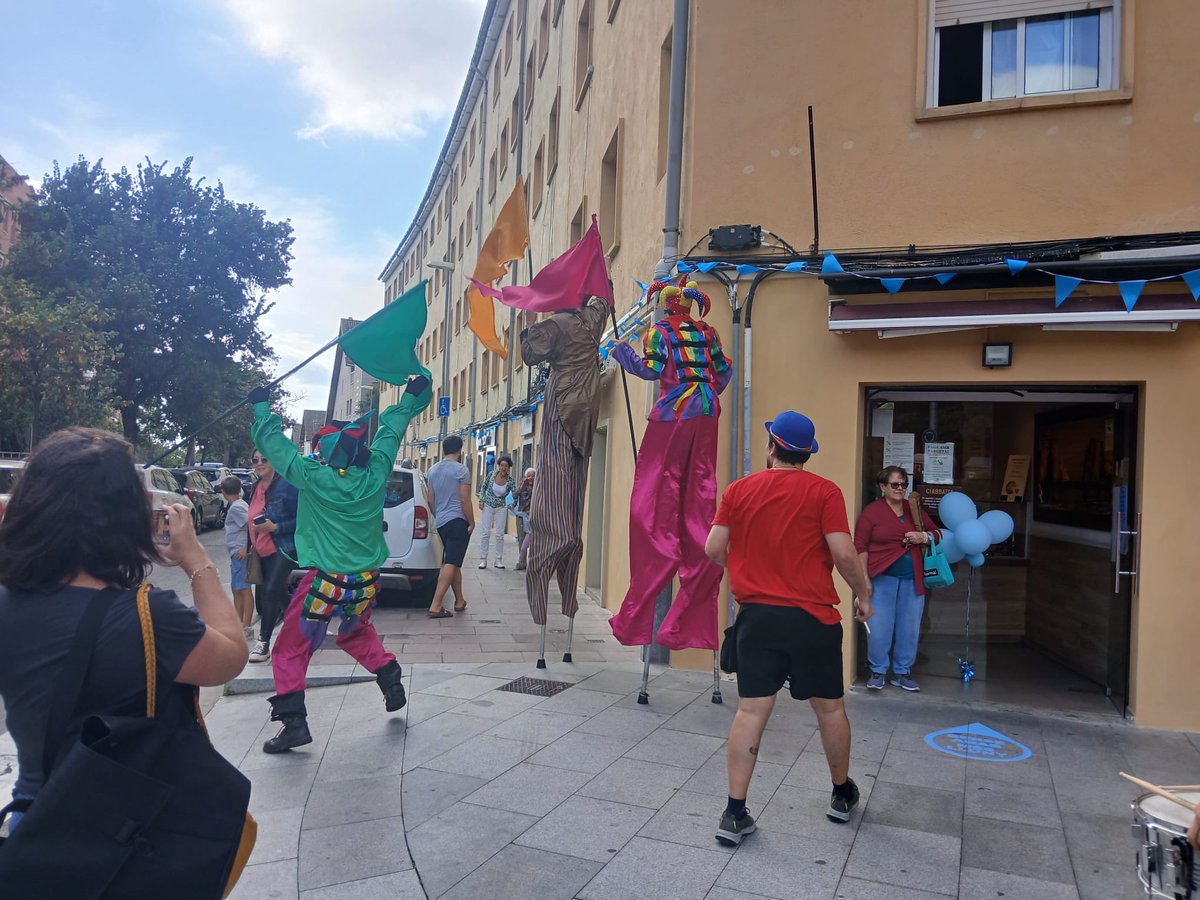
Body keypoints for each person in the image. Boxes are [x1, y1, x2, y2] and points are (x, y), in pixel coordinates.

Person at [0, 428, 247, 829]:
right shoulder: (150, 617)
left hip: (36, 818)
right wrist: (197, 561)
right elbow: (231, 656)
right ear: (129, 518)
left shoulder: (8, 601)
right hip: (127, 830)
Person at [705, 411, 873, 846]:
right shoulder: (825, 492)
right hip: (812, 620)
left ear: (772, 447)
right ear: (806, 454)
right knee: (830, 709)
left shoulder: (739, 490)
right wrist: (863, 593)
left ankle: (734, 813)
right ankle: (840, 795)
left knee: (750, 711)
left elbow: (713, 548)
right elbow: (843, 553)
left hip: (757, 618)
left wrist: (742, 568)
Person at [249, 376, 431, 753]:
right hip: (365, 581)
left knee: (289, 649)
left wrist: (261, 408)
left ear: (328, 457)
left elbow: (276, 448)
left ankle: (294, 724)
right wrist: (412, 395)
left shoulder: (313, 477)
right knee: (354, 632)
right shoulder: (377, 470)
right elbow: (392, 430)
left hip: (324, 584)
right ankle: (389, 677)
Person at [609, 278, 732, 651]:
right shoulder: (709, 332)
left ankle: (641, 612)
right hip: (708, 412)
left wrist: (621, 352)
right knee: (700, 496)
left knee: (654, 501)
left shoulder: (658, 332)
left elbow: (649, 369)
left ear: (664, 305)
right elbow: (723, 374)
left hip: (673, 416)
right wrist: (704, 393)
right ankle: (689, 622)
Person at [519, 294, 609, 630]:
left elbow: (531, 354)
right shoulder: (594, 317)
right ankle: (567, 587)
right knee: (575, 482)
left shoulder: (558, 324)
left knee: (553, 480)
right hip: (587, 408)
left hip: (562, 405)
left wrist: (529, 322)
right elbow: (605, 298)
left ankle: (551, 552)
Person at [853, 466, 941, 693]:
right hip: (882, 578)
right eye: (895, 485)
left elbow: (938, 534)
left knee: (909, 628)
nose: (900, 488)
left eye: (903, 484)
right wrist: (864, 581)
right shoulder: (872, 513)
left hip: (913, 580)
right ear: (883, 487)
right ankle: (878, 671)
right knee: (879, 626)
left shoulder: (914, 510)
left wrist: (924, 536)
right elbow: (860, 547)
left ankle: (902, 672)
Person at [246, 450, 299, 663]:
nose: (259, 464)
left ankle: (263, 643)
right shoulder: (254, 487)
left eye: (264, 459)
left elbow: (302, 519)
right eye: (255, 460)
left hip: (284, 547)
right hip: (262, 549)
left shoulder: (287, 485)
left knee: (268, 590)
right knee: (277, 593)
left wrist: (276, 527)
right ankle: (302, 627)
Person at [425, 435, 475, 617]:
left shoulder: (432, 470)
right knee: (451, 562)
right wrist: (471, 521)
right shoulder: (462, 470)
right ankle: (436, 605)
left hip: (442, 521)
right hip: (457, 520)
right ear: (459, 450)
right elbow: (464, 499)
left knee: (453, 561)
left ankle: (459, 599)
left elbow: (430, 499)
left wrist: (438, 515)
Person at [220, 475, 255, 638]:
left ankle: (246, 626)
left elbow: (251, 525)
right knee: (237, 588)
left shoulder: (237, 507)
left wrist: (245, 547)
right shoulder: (238, 505)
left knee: (243, 588)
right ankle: (239, 622)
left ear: (223, 491)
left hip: (240, 552)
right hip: (237, 552)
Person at [476, 454, 515, 569]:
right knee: (485, 533)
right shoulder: (491, 475)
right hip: (487, 505)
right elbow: (483, 488)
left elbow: (516, 494)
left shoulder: (511, 481)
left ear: (509, 468)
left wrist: (513, 503)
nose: (503, 468)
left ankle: (498, 560)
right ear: (499, 466)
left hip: (501, 507)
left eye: (506, 466)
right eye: (502, 465)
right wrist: (481, 500)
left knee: (499, 534)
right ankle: (483, 559)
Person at [513, 467, 535, 570]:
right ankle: (522, 563)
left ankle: (526, 562)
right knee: (521, 539)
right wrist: (523, 484)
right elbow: (515, 495)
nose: (531, 478)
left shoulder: (537, 487)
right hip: (521, 515)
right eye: (529, 476)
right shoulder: (522, 485)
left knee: (530, 540)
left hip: (533, 516)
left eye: (533, 475)